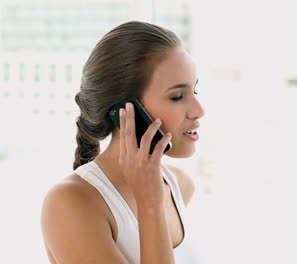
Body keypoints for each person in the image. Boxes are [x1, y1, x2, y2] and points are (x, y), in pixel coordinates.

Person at [41, 21, 205, 264]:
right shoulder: (70, 203)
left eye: (195, 91)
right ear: (125, 112)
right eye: (177, 96)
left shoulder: (180, 185)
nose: (198, 110)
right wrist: (150, 203)